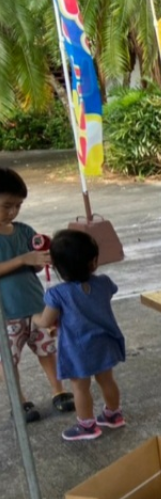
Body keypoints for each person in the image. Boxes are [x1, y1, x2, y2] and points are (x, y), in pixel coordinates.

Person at [31, 230, 126, 441]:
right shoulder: (104, 283)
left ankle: (87, 426)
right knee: (107, 380)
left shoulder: (57, 294)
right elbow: (97, 297)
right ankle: (113, 414)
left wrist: (35, 317)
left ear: (56, 267)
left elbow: (46, 321)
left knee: (80, 388)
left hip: (78, 348)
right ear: (93, 262)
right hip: (105, 342)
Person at [0, 167, 74, 422]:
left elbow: (36, 264)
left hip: (36, 306)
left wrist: (41, 258)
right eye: (7, 205)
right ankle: (19, 401)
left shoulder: (24, 230)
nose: (12, 212)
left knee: (47, 350)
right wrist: (23, 259)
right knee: (8, 362)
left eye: (17, 206)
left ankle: (59, 391)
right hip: (6, 314)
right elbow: (21, 261)